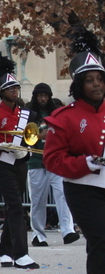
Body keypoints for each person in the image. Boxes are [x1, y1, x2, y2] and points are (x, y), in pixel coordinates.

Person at [44, 28, 105, 274]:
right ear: (79, 84)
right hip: (83, 189)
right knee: (102, 242)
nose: (96, 85)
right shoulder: (65, 117)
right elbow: (52, 160)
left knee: (99, 248)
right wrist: (87, 163)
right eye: (90, 80)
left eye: (100, 78)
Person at [0, 51, 39, 269]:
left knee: (15, 206)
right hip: (2, 164)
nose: (15, 91)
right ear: (2, 92)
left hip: (20, 162)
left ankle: (5, 251)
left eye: (17, 88)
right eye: (11, 88)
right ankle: (21, 254)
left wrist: (27, 150)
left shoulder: (25, 115)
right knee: (15, 206)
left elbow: (31, 138)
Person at [24, 83, 78, 247]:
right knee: (38, 200)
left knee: (63, 195)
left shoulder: (56, 113)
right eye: (40, 96)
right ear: (35, 97)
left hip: (55, 161)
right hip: (35, 161)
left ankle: (67, 230)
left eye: (45, 96)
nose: (43, 99)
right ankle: (38, 234)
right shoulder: (29, 113)